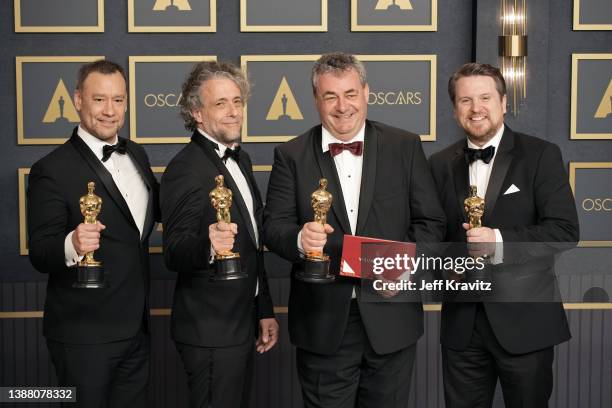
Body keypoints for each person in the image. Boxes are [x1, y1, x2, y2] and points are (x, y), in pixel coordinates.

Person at [263, 52, 446, 408]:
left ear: (366, 92)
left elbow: (431, 223)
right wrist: (300, 239)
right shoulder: (291, 155)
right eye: (330, 96)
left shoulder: (404, 146)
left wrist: (403, 265)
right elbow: (273, 227)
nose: (342, 106)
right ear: (315, 100)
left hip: (391, 319)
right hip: (323, 324)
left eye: (350, 93)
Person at [428, 62, 579, 408]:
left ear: (504, 103)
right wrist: (441, 269)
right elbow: (431, 233)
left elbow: (565, 230)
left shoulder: (541, 155)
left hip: (527, 322)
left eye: (485, 98)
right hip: (462, 326)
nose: (476, 108)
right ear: (454, 110)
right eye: (465, 100)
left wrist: (497, 241)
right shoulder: (438, 163)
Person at [27, 60, 160, 408]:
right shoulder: (50, 170)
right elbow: (40, 252)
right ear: (77, 100)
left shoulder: (138, 155)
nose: (109, 110)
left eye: (118, 100)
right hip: (83, 337)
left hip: (136, 331)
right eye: (99, 99)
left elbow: (144, 225)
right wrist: (71, 243)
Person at [160, 60, 278, 408]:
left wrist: (264, 310)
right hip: (209, 332)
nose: (233, 112)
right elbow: (174, 251)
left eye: (237, 101)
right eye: (220, 103)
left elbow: (254, 246)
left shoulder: (241, 161)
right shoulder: (184, 169)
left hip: (241, 324)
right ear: (197, 112)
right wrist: (208, 247)